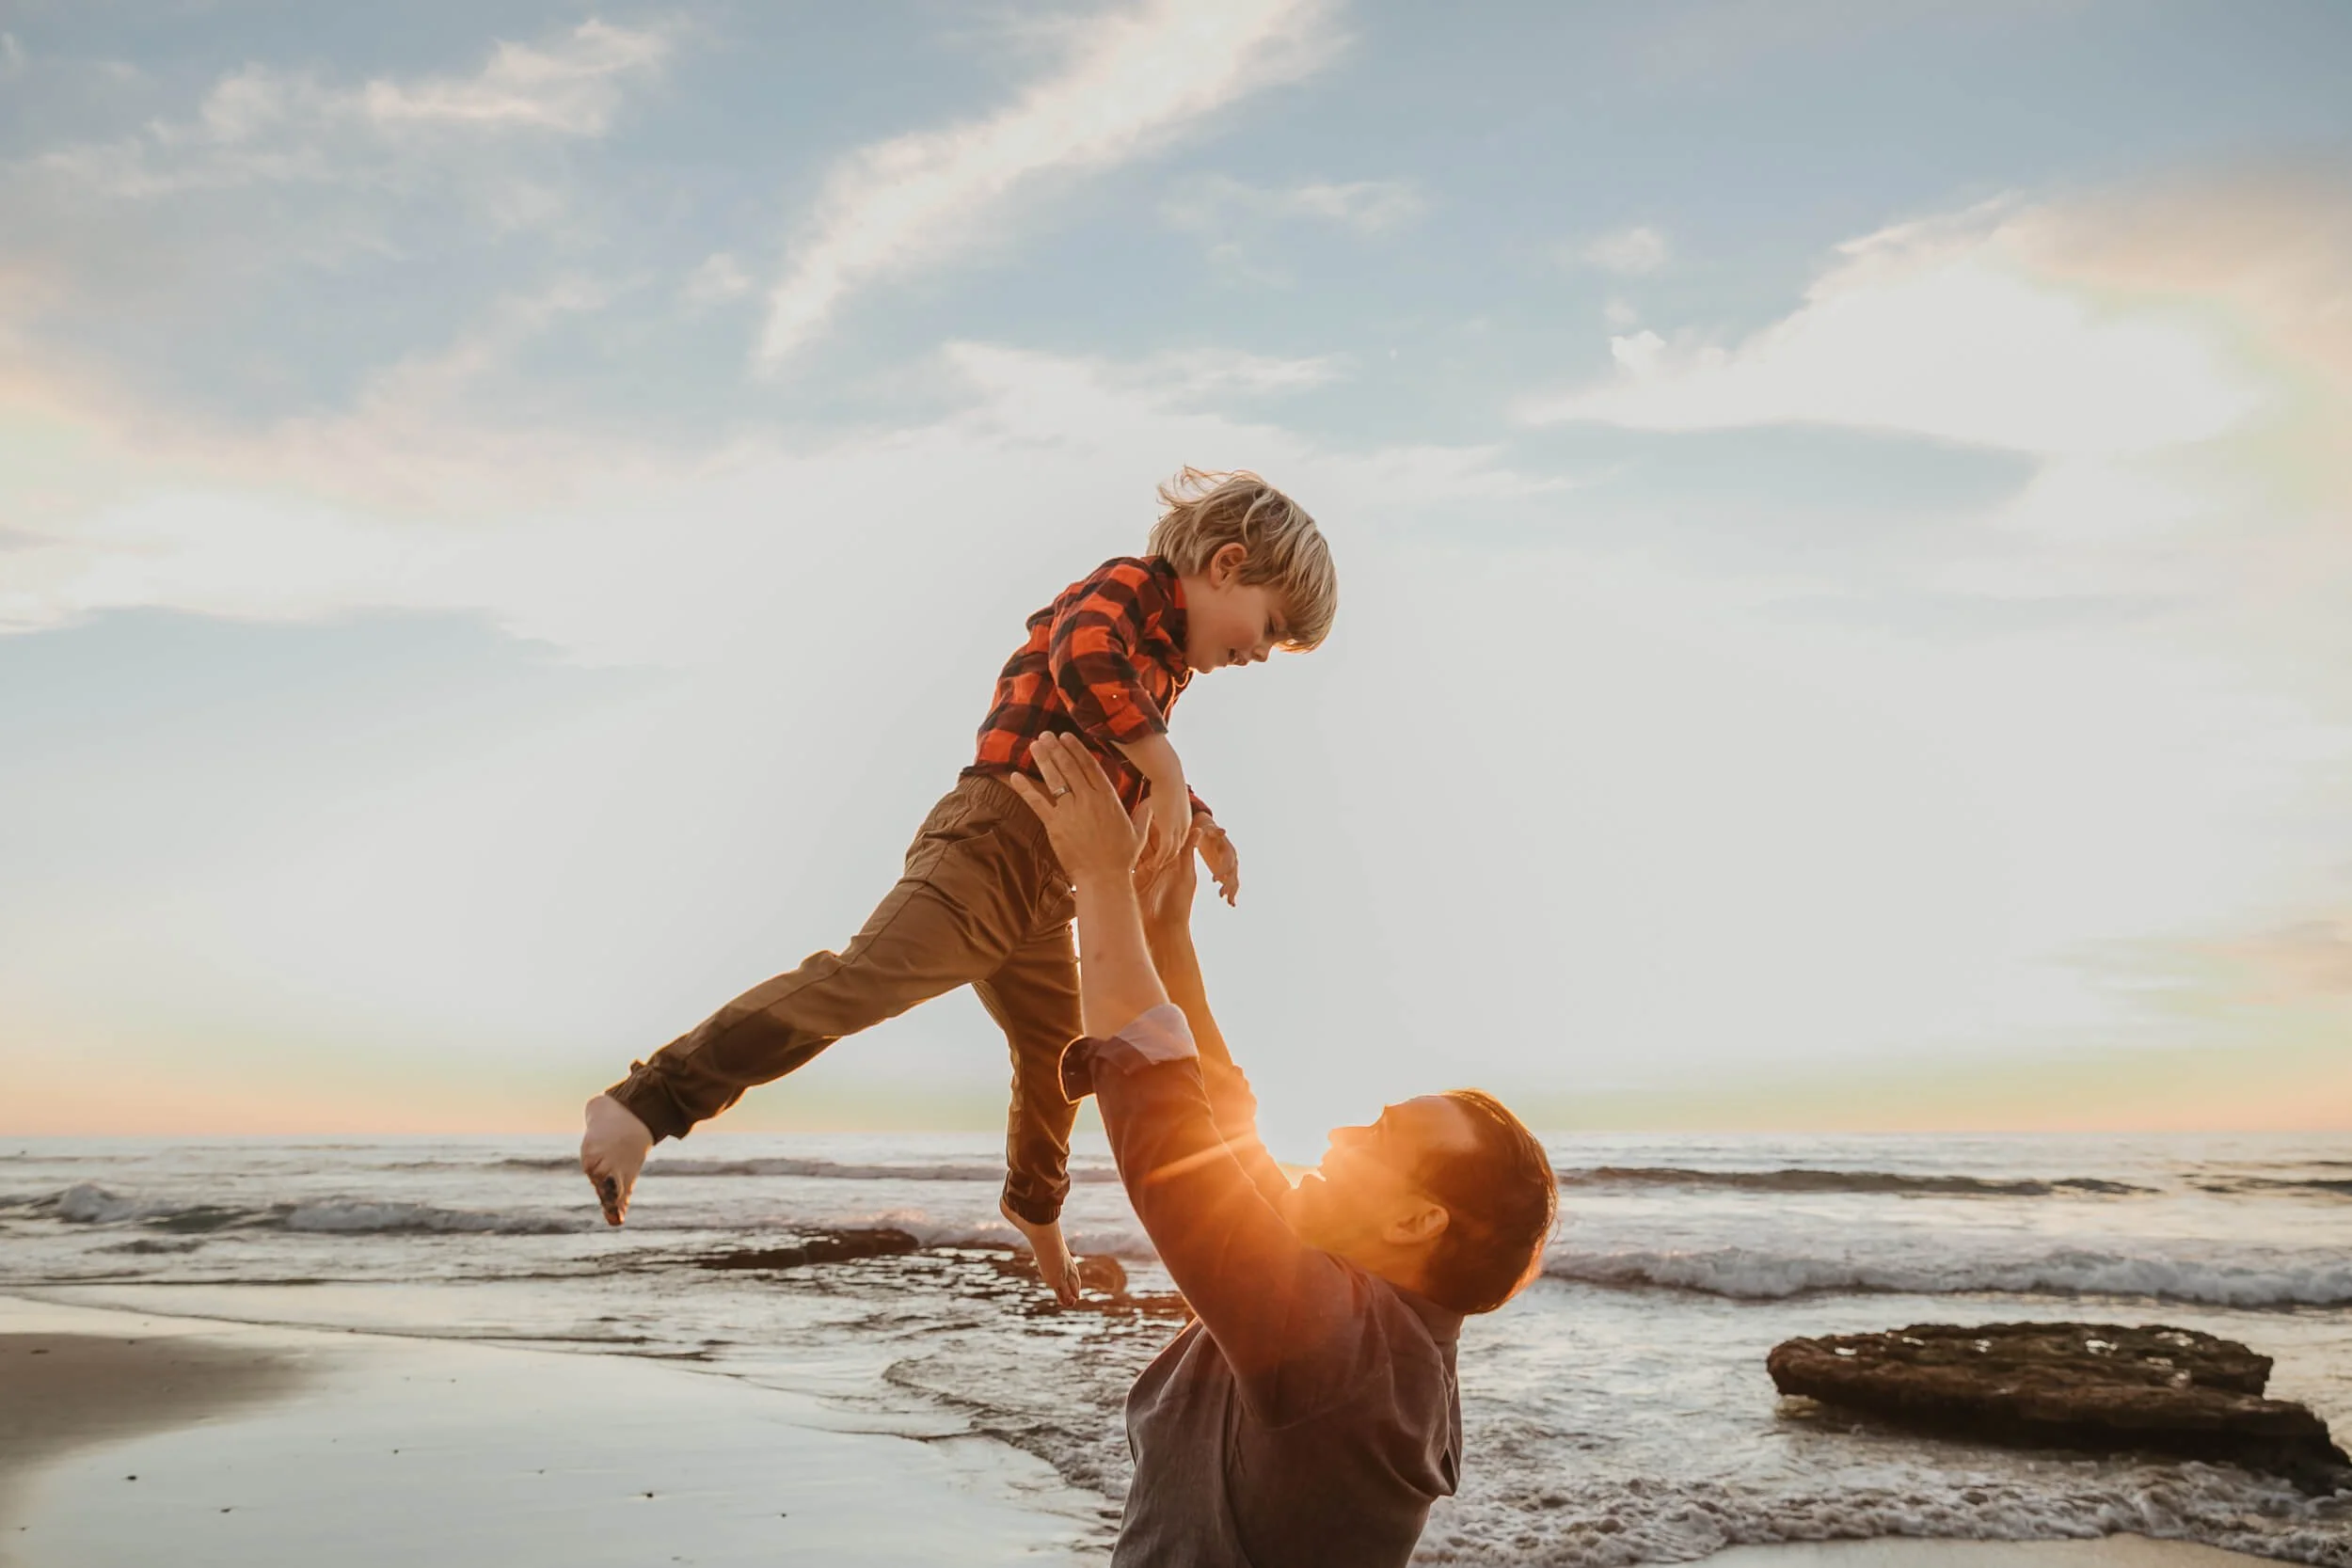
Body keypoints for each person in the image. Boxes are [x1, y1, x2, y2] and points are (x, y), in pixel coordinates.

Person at [579, 469, 1340, 1303]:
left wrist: (1196, 817)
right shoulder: (1127, 589)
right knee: (861, 982)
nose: (1261, 653)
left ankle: (1038, 1218)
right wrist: (1165, 768)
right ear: (1226, 565)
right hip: (990, 844)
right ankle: (646, 1103)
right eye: (1268, 628)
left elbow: (1127, 748)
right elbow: (1082, 657)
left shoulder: (1162, 672)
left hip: (1054, 888)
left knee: (1059, 1065)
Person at [1006, 731, 1558, 1567]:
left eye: (1382, 1138)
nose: (1340, 1134)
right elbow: (1222, 1128)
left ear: (1417, 1219)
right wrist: (1165, 925)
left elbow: (1172, 1152)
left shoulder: (1354, 1360)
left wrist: (1103, 879)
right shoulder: (1355, 1309)